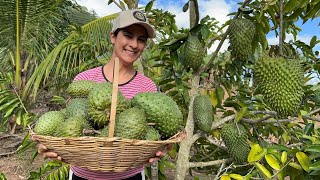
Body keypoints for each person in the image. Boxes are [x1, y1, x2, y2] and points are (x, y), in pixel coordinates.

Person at [36, 9, 172, 180]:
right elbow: (69, 121)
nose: (134, 44)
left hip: (130, 176)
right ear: (113, 37)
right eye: (128, 36)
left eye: (141, 40)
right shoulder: (85, 78)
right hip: (83, 176)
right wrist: (51, 144)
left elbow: (157, 132)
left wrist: (161, 147)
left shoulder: (147, 86)